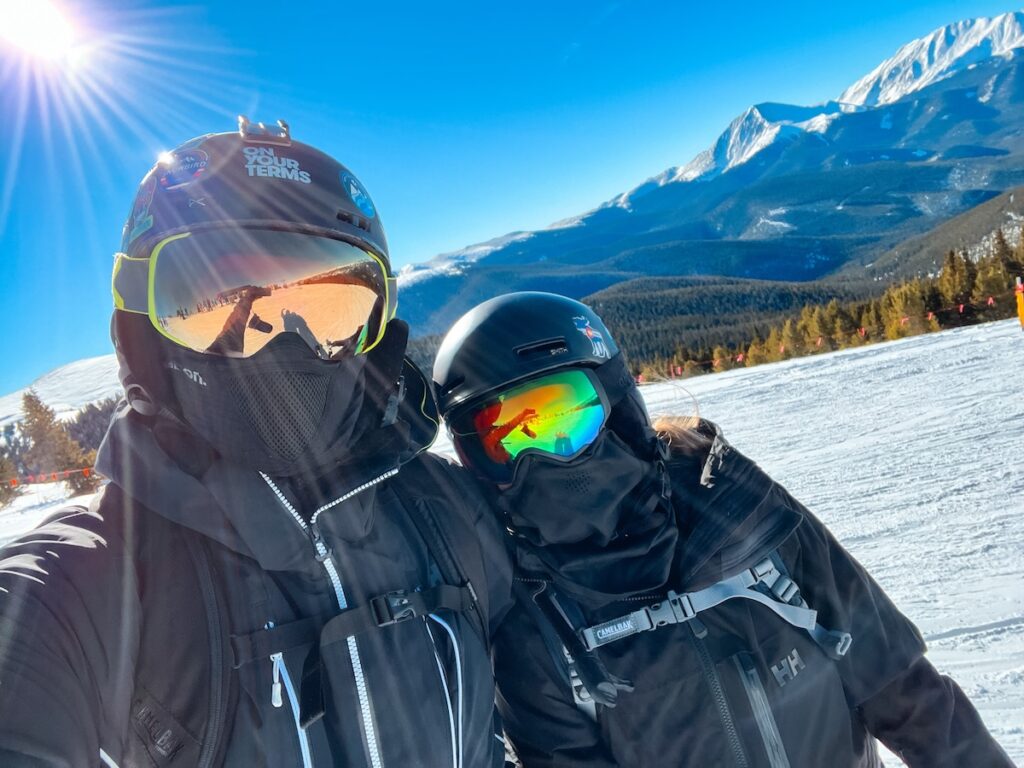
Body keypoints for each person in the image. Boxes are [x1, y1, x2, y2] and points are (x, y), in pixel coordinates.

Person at [0, 119, 513, 767]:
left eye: (332, 308)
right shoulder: (99, 578)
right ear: (143, 333)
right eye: (223, 307)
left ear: (377, 328)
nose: (284, 343)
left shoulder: (451, 512)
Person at [432, 291, 1013, 768]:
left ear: (617, 404)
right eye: (505, 437)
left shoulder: (740, 511)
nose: (546, 459)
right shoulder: (535, 622)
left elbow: (902, 687)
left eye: (562, 416)